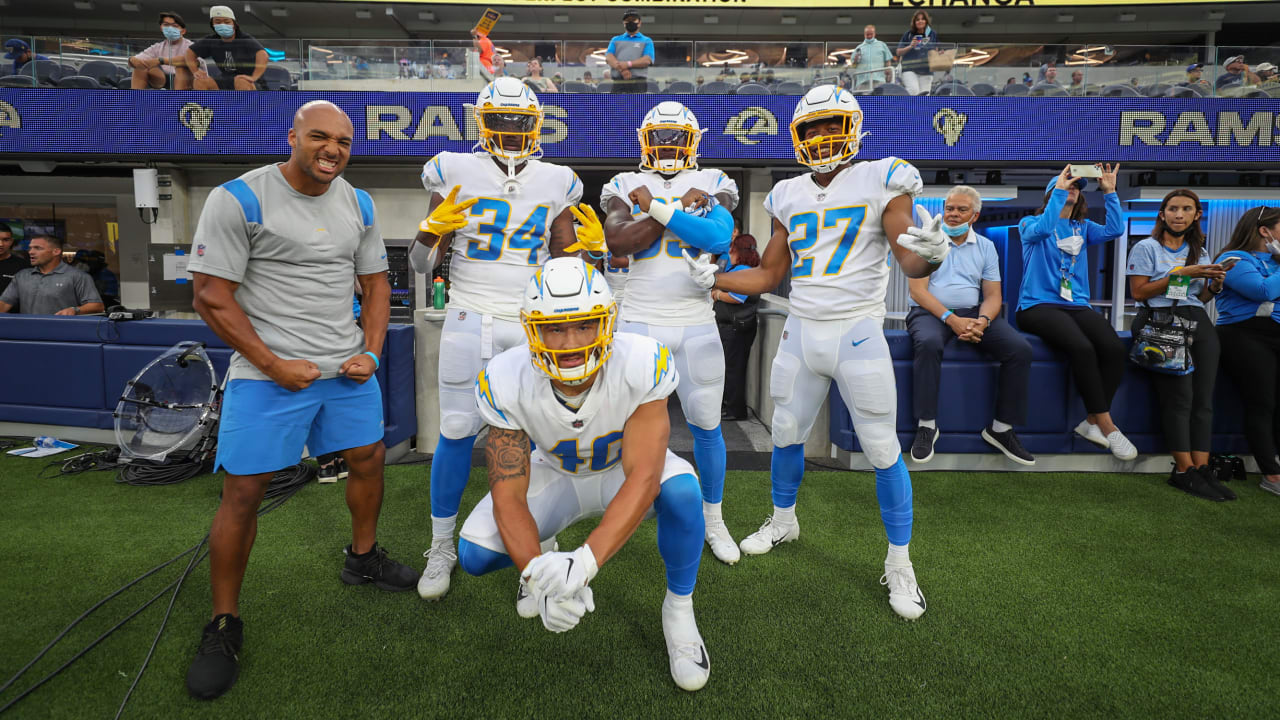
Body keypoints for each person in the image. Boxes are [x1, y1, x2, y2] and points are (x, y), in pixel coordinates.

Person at [182, 101, 414, 700]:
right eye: (319, 137)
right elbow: (210, 295)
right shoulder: (239, 198)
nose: (333, 148)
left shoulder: (358, 202)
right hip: (266, 374)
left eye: (343, 140)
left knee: (368, 458)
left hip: (344, 369)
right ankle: (224, 622)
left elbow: (375, 283)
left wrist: (371, 349)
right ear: (292, 137)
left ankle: (362, 557)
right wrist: (272, 365)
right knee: (243, 492)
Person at [694, 85, 951, 620]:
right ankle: (783, 520)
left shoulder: (884, 177)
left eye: (831, 125)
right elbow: (768, 274)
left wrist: (930, 255)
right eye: (811, 128)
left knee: (881, 448)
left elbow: (910, 261)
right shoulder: (785, 194)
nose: (820, 137)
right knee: (785, 433)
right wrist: (713, 275)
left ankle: (899, 561)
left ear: (853, 127)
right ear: (797, 135)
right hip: (801, 330)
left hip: (857, 331)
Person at [457, 257, 710, 690]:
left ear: (607, 322)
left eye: (584, 325)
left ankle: (679, 611)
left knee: (683, 493)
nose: (570, 341)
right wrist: (538, 580)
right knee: (475, 555)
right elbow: (509, 496)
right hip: (556, 474)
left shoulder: (641, 360)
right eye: (555, 327)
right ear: (532, 328)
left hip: (620, 475)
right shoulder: (504, 377)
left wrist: (585, 562)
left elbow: (645, 477)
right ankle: (545, 548)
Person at [410, 77, 584, 601]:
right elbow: (420, 264)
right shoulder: (454, 169)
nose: (511, 132)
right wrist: (428, 230)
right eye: (501, 121)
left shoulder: (557, 179)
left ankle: (537, 545)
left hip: (532, 324)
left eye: (520, 122)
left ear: (537, 125)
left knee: (533, 437)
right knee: (458, 430)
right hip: (469, 316)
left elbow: (567, 265)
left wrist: (588, 255)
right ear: (482, 124)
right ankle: (441, 545)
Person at [600, 101, 740, 566]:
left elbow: (719, 239)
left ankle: (713, 517)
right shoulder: (624, 183)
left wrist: (657, 208)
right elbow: (618, 241)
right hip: (639, 318)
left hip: (696, 320)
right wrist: (677, 210)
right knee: (629, 424)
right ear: (645, 139)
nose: (667, 145)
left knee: (707, 425)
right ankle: (630, 505)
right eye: (659, 136)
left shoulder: (713, 180)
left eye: (676, 137)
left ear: (692, 140)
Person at [906, 187, 1035, 466]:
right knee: (929, 343)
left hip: (973, 313)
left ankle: (1001, 429)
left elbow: (992, 296)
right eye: (949, 208)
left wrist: (983, 321)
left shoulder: (986, 247)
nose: (953, 214)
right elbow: (918, 291)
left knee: (1020, 349)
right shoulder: (928, 242)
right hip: (929, 312)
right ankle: (927, 425)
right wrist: (952, 320)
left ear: (975, 215)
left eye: (961, 209)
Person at [1015, 166, 1134, 461]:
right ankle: (1107, 425)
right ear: (1051, 192)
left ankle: (1090, 422)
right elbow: (1044, 229)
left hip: (1077, 305)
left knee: (1113, 348)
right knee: (1081, 348)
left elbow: (1116, 230)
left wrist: (1109, 192)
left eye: (1076, 186)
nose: (1072, 189)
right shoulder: (1029, 223)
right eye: (1066, 184)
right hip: (1036, 305)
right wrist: (1058, 188)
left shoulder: (1083, 227)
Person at [1127, 190, 1231, 501]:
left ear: (1197, 215)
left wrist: (1214, 284)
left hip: (1198, 321)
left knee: (1203, 400)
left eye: (1186, 209)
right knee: (1180, 399)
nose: (1179, 214)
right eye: (1173, 209)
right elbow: (1140, 292)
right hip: (1161, 324)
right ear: (1162, 214)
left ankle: (1202, 469)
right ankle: (1183, 470)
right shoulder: (1146, 247)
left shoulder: (1200, 250)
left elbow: (1199, 298)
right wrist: (1181, 273)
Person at [1214, 206, 1280, 498]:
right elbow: (1262, 291)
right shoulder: (1233, 259)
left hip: (1276, 332)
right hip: (1243, 334)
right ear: (1264, 231)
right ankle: (1271, 473)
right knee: (1262, 401)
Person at [713, 232, 759, 422]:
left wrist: (716, 295)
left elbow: (737, 298)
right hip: (732, 326)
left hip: (736, 327)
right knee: (730, 368)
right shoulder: (744, 268)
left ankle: (735, 409)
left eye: (732, 249)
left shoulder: (743, 270)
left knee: (734, 369)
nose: (729, 252)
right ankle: (729, 405)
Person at [0, 235, 103, 316]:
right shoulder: (22, 276)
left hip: (61, 335)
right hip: (28, 333)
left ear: (56, 251)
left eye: (37, 248)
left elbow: (97, 306)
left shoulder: (78, 276)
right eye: (30, 248)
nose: (31, 252)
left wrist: (74, 310)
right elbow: (4, 305)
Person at [184, 5, 267, 91]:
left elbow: (263, 55)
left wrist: (254, 77)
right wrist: (195, 71)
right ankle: (207, 104)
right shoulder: (212, 40)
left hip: (250, 82)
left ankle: (244, 104)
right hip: (226, 79)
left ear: (234, 24)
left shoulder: (244, 38)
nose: (222, 25)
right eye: (218, 22)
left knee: (240, 81)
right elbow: (189, 53)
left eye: (227, 22)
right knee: (200, 81)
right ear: (213, 24)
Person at [128, 11, 194, 90]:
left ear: (183, 31)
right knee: (140, 67)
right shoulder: (157, 47)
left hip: (185, 80)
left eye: (174, 26)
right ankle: (136, 99)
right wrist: (132, 60)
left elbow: (193, 62)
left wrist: (160, 60)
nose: (170, 28)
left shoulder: (191, 46)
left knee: (182, 70)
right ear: (161, 28)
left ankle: (179, 100)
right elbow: (138, 59)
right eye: (166, 25)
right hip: (162, 79)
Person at [605, 9, 654, 94]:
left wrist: (627, 64)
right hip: (619, 82)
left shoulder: (647, 40)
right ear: (623, 23)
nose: (630, 22)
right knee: (616, 107)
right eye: (627, 20)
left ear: (639, 23)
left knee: (638, 107)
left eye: (633, 20)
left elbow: (647, 60)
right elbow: (609, 57)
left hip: (638, 83)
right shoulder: (615, 39)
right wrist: (622, 70)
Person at [895, 10, 938, 96]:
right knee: (913, 91)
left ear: (926, 21)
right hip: (909, 69)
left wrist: (938, 53)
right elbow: (898, 52)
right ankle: (909, 109)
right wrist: (910, 46)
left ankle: (921, 110)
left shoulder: (932, 34)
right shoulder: (908, 34)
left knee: (925, 95)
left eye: (923, 19)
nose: (920, 21)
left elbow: (935, 49)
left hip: (927, 70)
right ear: (914, 22)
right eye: (917, 20)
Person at [852, 25, 894, 91]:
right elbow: (853, 66)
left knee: (880, 101)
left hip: (879, 79)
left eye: (871, 34)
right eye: (867, 34)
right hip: (863, 81)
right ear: (864, 34)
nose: (869, 36)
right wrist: (855, 60)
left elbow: (888, 60)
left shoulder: (882, 45)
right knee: (863, 101)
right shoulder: (859, 48)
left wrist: (888, 73)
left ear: (874, 34)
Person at [0, 225, 30, 300]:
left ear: (11, 241)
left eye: (6, 240)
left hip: (14, 311)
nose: (1, 244)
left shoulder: (23, 265)